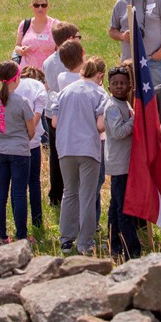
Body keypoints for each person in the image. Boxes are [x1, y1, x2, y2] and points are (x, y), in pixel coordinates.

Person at [55, 56, 108, 255]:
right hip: (88, 148)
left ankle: (66, 239)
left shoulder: (65, 91)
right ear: (100, 75)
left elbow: (53, 122)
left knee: (69, 193)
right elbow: (100, 125)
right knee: (87, 195)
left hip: (66, 147)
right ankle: (85, 243)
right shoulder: (100, 93)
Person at [0, 61, 35, 244]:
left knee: (1, 194)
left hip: (0, 150)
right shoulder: (22, 102)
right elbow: (31, 130)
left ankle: (1, 235)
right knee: (20, 194)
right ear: (17, 78)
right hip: (20, 151)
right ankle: (21, 234)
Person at [42, 21, 81, 207]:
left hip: (51, 111)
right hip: (68, 112)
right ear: (69, 40)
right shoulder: (71, 62)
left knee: (55, 153)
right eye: (77, 37)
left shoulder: (48, 61)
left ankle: (55, 193)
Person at [104, 65, 140, 260]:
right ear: (109, 86)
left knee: (116, 206)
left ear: (129, 86)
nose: (119, 86)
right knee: (123, 209)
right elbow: (118, 133)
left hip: (126, 163)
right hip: (119, 164)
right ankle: (131, 248)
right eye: (115, 83)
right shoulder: (112, 107)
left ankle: (115, 244)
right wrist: (136, 120)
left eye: (123, 83)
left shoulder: (125, 104)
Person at [15, 66, 48, 230]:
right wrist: (29, 133)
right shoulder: (38, 87)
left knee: (17, 184)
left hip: (13, 141)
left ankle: (17, 221)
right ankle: (37, 220)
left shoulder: (15, 84)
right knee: (34, 182)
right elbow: (37, 114)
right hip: (32, 141)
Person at [13, 0, 59, 70]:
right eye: (36, 5)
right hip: (26, 73)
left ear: (48, 6)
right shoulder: (24, 24)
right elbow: (17, 46)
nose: (40, 8)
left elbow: (61, 50)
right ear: (32, 7)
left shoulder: (55, 25)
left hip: (48, 72)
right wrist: (20, 50)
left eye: (43, 5)